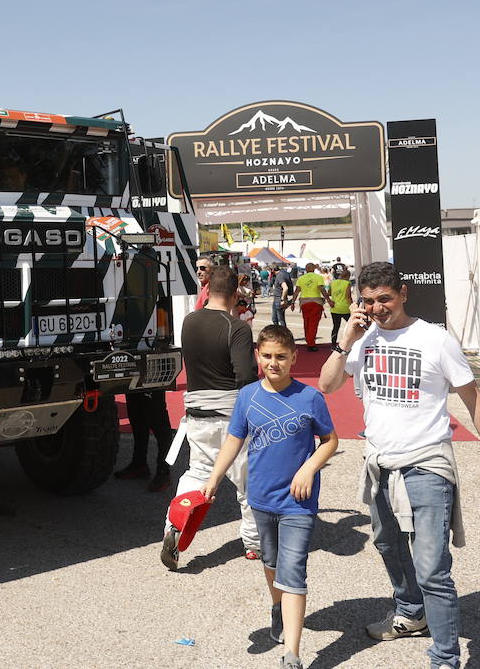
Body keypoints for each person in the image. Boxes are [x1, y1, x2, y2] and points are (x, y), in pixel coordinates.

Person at [318, 263, 480, 669]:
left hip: (427, 464)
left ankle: (445, 658)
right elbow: (327, 385)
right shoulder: (363, 338)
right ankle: (410, 612)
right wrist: (345, 339)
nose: (377, 308)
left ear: (403, 293)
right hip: (380, 463)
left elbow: (473, 400)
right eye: (368, 301)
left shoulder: (435, 340)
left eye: (384, 298)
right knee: (387, 543)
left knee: (432, 567)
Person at [203, 324, 337, 669]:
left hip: (298, 504)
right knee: (271, 563)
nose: (273, 363)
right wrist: (214, 477)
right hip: (260, 499)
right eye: (267, 356)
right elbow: (234, 439)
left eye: (281, 356)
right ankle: (277, 607)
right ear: (257, 357)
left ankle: (291, 653)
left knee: (293, 571)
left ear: (294, 357)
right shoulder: (248, 396)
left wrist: (309, 468)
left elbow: (331, 441)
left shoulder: (309, 398)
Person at [162, 266, 260, 568]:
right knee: (248, 481)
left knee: (197, 474)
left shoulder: (189, 322)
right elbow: (245, 375)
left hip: (196, 413)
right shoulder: (237, 327)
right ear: (234, 293)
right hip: (230, 413)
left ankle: (174, 528)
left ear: (208, 288)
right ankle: (255, 544)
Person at [116, 389, 175, 491]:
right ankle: (139, 463)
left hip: (154, 377)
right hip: (133, 376)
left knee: (158, 420)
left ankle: (163, 471)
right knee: (136, 415)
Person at [294, 263, 329, 352]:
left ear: (306, 269)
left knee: (307, 322)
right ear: (314, 268)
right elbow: (322, 289)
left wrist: (293, 302)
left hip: (304, 302)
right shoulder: (318, 277)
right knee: (313, 323)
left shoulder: (301, 278)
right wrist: (328, 300)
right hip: (316, 302)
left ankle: (308, 340)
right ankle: (311, 343)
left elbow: (297, 291)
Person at [328, 264, 353, 353]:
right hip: (345, 308)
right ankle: (351, 343)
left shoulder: (333, 282)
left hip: (335, 308)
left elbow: (329, 293)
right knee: (351, 325)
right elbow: (348, 296)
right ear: (348, 276)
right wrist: (352, 305)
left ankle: (333, 344)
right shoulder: (347, 283)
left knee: (336, 326)